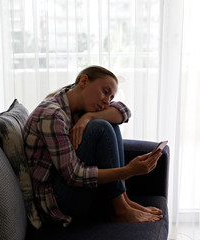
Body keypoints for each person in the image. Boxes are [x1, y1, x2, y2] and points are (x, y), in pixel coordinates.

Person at [23, 65, 163, 227]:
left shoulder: (77, 107)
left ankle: (123, 201)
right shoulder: (51, 115)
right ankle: (120, 209)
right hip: (56, 202)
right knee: (101, 127)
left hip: (71, 190)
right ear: (84, 81)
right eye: (105, 91)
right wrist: (129, 171)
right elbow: (74, 175)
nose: (107, 101)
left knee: (109, 123)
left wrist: (88, 117)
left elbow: (124, 111)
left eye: (110, 98)